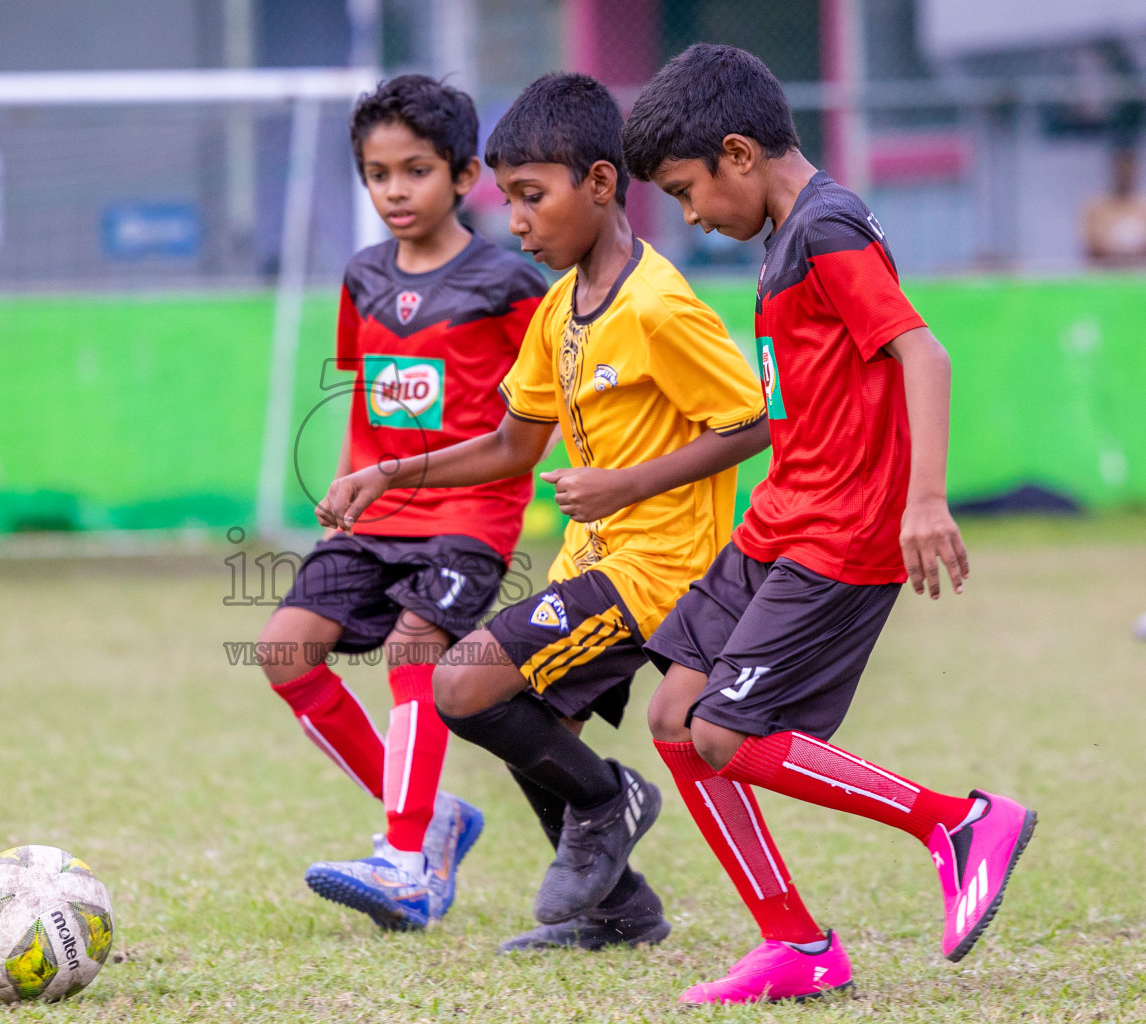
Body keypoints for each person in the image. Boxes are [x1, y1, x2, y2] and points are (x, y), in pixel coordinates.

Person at [623, 43, 1038, 1004]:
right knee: (675, 718)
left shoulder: (828, 228)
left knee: (727, 731)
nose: (689, 216)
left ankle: (958, 823)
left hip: (839, 532)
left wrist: (923, 502)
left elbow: (921, 354)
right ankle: (797, 946)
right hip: (776, 522)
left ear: (738, 153)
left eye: (687, 191)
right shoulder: (787, 234)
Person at [319, 72, 770, 953]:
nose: (516, 220)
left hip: (661, 574)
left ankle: (613, 802)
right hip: (594, 562)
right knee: (536, 727)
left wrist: (629, 484)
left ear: (600, 184)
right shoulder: (562, 304)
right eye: (508, 199)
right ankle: (619, 912)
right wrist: (391, 473)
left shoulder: (658, 305)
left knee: (465, 682)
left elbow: (755, 420)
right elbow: (510, 445)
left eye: (532, 197)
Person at [260, 75, 547, 931]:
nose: (394, 190)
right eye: (377, 174)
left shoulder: (510, 283)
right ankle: (434, 820)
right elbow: (373, 400)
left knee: (413, 649)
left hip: (470, 516)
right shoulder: (362, 277)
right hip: (378, 515)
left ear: (464, 176)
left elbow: (536, 410)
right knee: (282, 652)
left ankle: (405, 859)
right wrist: (352, 486)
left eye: (414, 171)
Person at [1082, 147, 1146, 266]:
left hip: (1140, 277)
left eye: (1128, 170)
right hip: (1106, 278)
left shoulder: (1143, 208)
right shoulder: (1096, 209)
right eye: (1121, 170)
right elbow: (1091, 248)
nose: (1124, 175)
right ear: (1113, 171)